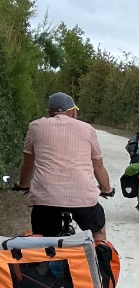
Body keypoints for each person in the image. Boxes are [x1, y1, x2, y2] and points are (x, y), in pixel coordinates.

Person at [18, 92, 113, 242]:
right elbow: (98, 166)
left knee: (43, 241)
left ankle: (45, 262)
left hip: (45, 199)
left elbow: (27, 163)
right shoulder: (87, 129)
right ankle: (100, 261)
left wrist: (23, 185)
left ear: (49, 112)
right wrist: (107, 189)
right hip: (83, 198)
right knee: (98, 233)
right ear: (73, 111)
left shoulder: (35, 127)